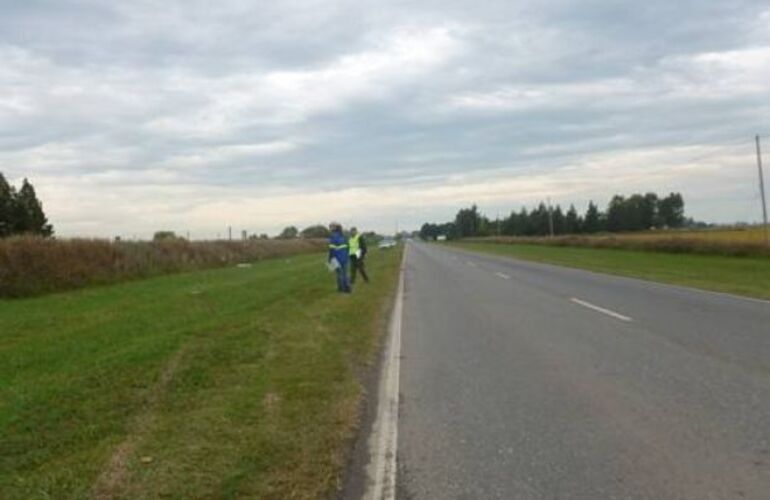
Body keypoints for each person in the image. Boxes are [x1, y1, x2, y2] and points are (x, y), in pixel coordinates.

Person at [328, 222, 351, 293]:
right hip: (345, 257)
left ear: (334, 228)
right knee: (345, 273)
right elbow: (348, 247)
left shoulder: (332, 236)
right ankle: (347, 288)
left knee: (339, 274)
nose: (329, 228)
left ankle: (341, 289)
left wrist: (330, 258)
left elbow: (332, 249)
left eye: (330, 227)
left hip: (336, 258)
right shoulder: (344, 236)